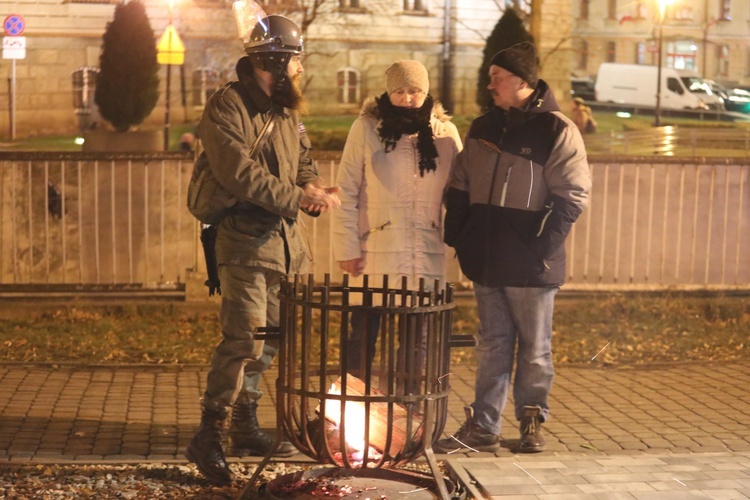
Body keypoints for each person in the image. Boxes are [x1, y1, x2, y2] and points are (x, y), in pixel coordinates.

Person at [185, 14, 340, 486]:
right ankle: (209, 433)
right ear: (273, 60)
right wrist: (298, 198)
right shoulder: (227, 106)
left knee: (273, 340)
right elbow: (238, 173)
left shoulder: (285, 108)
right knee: (245, 339)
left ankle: (244, 421)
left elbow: (303, 157)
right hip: (244, 242)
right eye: (294, 61)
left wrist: (311, 186)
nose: (298, 69)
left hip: (287, 245)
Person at [435, 42, 591, 454]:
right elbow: (461, 183)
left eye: (496, 77)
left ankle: (531, 422)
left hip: (531, 265)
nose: (489, 84)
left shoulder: (556, 129)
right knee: (493, 345)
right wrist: (461, 235)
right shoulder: (484, 127)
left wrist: (538, 246)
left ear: (522, 81)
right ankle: (483, 426)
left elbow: (572, 196)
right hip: (486, 260)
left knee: (535, 350)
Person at [333, 60, 462, 378]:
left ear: (426, 91)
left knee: (416, 341)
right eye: (400, 91)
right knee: (362, 337)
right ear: (388, 93)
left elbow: (460, 193)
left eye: (415, 91)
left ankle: (409, 409)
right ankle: (352, 406)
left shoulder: (445, 135)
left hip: (425, 251)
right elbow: (346, 191)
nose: (407, 98)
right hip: (374, 250)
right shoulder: (366, 127)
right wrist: (347, 248)